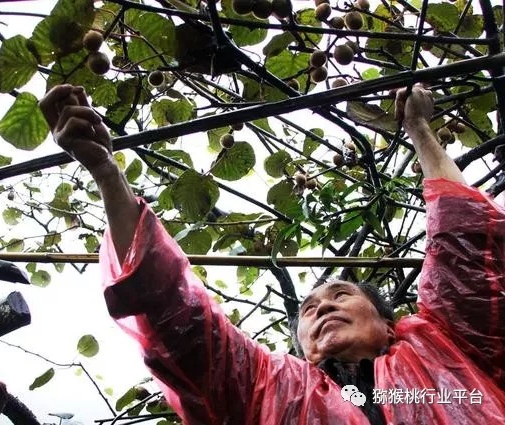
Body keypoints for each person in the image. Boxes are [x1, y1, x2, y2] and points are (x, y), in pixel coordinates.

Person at [40, 84, 505, 424]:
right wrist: (106, 172)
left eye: (341, 294)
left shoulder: (445, 347)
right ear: (302, 347)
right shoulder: (268, 387)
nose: (322, 307)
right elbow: (175, 316)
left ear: (390, 323)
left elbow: (465, 241)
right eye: (309, 309)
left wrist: (419, 129)